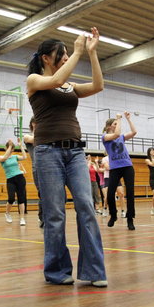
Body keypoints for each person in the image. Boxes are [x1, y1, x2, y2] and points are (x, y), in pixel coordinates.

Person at [27, 28, 107, 287]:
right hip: (47, 152)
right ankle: (57, 272)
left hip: (74, 153)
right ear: (45, 58)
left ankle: (94, 271)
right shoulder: (34, 80)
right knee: (55, 214)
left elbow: (98, 85)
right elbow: (56, 80)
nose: (64, 59)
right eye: (59, 55)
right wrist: (77, 52)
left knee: (87, 206)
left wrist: (92, 54)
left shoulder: (70, 85)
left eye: (66, 55)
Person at [102, 112, 137, 230]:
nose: (117, 125)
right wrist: (118, 119)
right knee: (111, 194)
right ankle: (113, 215)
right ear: (109, 127)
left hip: (127, 166)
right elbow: (116, 133)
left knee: (130, 193)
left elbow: (134, 132)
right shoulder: (105, 137)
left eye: (117, 124)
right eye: (115, 124)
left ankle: (130, 219)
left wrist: (128, 119)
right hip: (115, 169)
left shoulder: (121, 137)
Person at [0, 138, 27, 226]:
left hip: (20, 177)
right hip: (10, 179)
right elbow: (4, 158)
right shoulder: (1, 157)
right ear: (6, 148)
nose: (11, 150)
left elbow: (24, 157)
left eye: (12, 148)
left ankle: (22, 218)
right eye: (9, 148)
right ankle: (7, 213)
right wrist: (10, 146)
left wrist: (21, 146)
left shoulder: (15, 157)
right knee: (11, 198)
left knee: (21, 198)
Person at [24, 117, 44, 228]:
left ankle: (46, 216)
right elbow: (33, 139)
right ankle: (42, 217)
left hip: (48, 166)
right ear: (33, 124)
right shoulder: (28, 136)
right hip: (37, 168)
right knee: (42, 193)